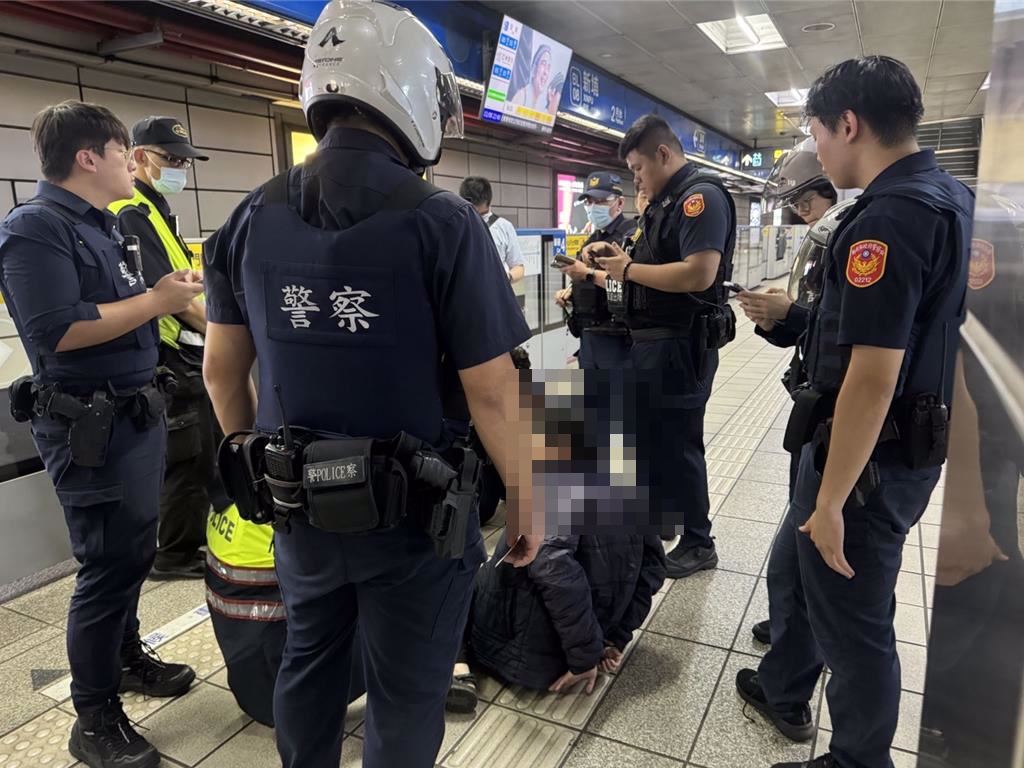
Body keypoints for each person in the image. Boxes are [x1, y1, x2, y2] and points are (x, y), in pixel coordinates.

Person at [200, 3, 541, 767]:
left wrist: (258, 468)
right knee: (407, 691)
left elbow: (222, 372)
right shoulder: (445, 222)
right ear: (409, 92)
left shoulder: (250, 215)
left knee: (310, 664)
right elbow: (491, 393)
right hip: (417, 525)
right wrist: (526, 499)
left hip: (300, 516)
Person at [734, 56, 975, 768]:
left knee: (858, 624)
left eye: (816, 129)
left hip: (866, 458)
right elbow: (900, 330)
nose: (819, 146)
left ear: (848, 123)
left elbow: (872, 375)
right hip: (902, 443)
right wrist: (798, 318)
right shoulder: (950, 196)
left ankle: (860, 760)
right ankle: (782, 685)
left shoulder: (890, 217)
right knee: (808, 577)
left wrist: (833, 498)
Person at [0, 100, 202, 768]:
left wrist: (166, 298)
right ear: (89, 157)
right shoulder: (35, 229)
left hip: (132, 412)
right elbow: (60, 329)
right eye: (123, 153)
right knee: (105, 566)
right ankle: (93, 719)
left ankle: (125, 658)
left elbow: (129, 307)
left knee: (132, 555)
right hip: (88, 423)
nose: (133, 164)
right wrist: (158, 300)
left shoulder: (105, 225)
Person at [586, 114, 736, 578]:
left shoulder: (699, 199)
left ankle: (699, 540)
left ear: (664, 154)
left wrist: (626, 271)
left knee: (680, 441)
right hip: (652, 341)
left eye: (637, 167)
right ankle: (667, 520)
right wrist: (616, 264)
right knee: (655, 439)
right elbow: (651, 261)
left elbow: (698, 273)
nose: (636, 177)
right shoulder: (665, 201)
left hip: (679, 343)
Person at [736, 139, 842, 646]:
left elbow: (845, 338)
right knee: (796, 533)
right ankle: (789, 626)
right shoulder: (826, 238)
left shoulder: (857, 233)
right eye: (795, 205)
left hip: (835, 418)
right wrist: (777, 316)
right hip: (812, 404)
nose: (801, 214)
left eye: (806, 202)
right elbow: (814, 326)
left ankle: (794, 653)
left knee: (802, 539)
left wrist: (792, 314)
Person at [110, 115, 217, 580]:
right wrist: (222, 335)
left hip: (186, 350)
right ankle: (174, 554)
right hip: (172, 357)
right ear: (137, 156)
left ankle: (189, 543)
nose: (179, 169)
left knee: (200, 453)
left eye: (183, 161)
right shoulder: (132, 211)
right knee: (187, 458)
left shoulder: (153, 208)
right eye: (170, 159)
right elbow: (166, 295)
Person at [449, 531, 667, 712]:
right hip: (578, 641)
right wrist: (614, 638)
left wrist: (585, 657)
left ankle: (455, 662)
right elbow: (653, 569)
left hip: (528, 654)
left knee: (458, 580)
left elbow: (549, 563)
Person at [556, 171, 635, 370]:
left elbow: (631, 284)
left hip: (616, 337)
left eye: (600, 201)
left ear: (619, 203)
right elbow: (581, 278)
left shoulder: (630, 237)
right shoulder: (591, 239)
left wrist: (588, 274)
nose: (593, 208)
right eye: (589, 202)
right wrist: (569, 293)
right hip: (588, 333)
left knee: (616, 398)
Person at [458, 176, 525, 282]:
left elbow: (519, 267)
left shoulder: (504, 226)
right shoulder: (456, 225)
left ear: (488, 201)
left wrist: (507, 278)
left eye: (477, 204)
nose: (473, 209)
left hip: (496, 291)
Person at [510, 44, 559, 114]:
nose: (546, 72)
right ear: (533, 69)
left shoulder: (542, 107)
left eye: (548, 67)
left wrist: (550, 105)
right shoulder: (521, 97)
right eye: (543, 64)